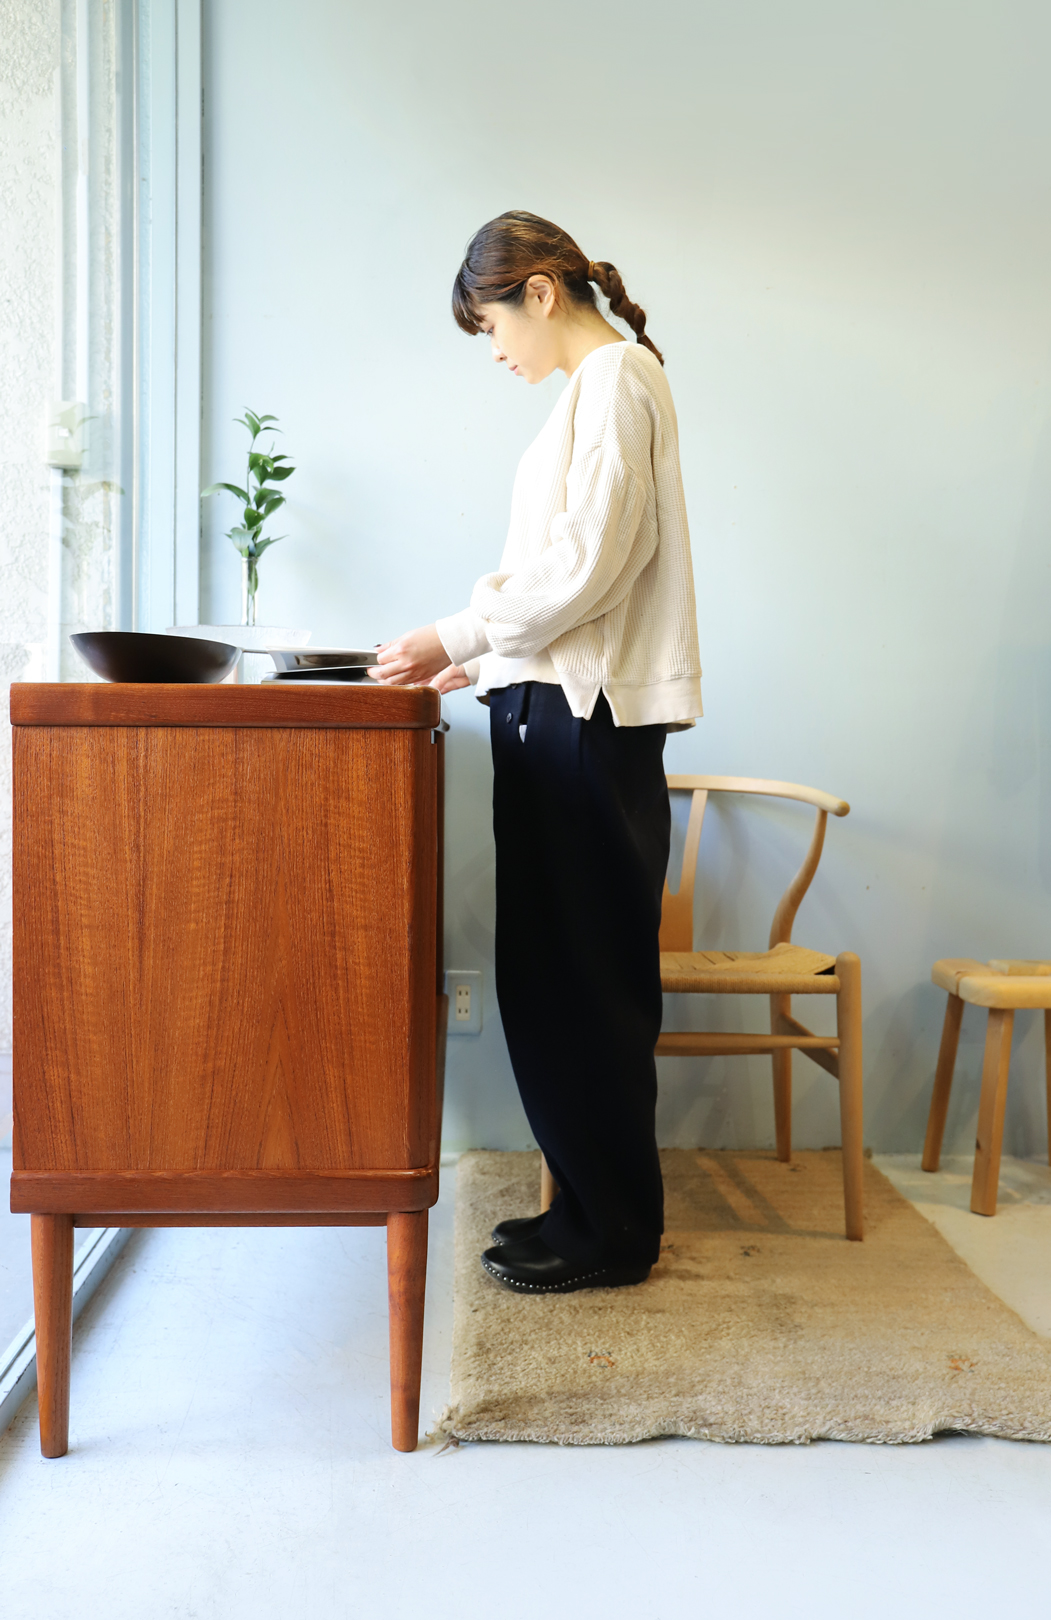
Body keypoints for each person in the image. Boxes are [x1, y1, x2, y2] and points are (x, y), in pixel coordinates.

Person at [372, 210, 702, 1293]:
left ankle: (613, 1233)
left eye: (492, 326)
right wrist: (493, 664)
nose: (497, 351)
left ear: (542, 294)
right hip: (561, 707)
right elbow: (577, 588)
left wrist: (460, 633)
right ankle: (585, 1214)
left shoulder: (614, 382)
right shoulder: (600, 387)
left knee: (585, 982)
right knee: (557, 979)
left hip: (585, 725)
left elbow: (587, 564)